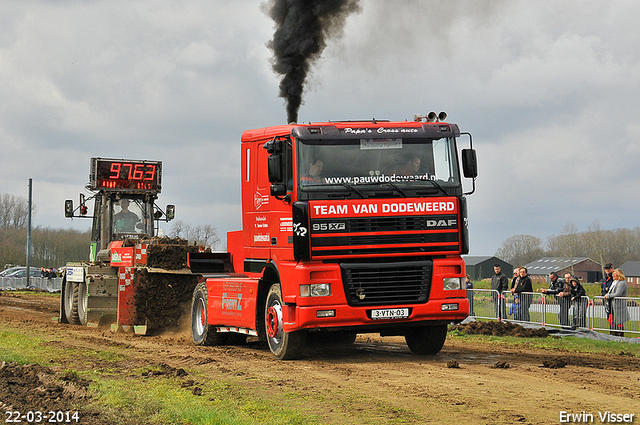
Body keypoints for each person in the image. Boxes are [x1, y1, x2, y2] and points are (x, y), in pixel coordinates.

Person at [603, 268, 629, 337]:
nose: (613, 276)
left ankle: (620, 335)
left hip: (619, 305)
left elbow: (618, 293)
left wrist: (608, 296)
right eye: (613, 274)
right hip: (612, 304)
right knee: (611, 319)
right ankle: (613, 335)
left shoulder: (622, 283)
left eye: (615, 274)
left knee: (619, 321)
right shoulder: (614, 282)